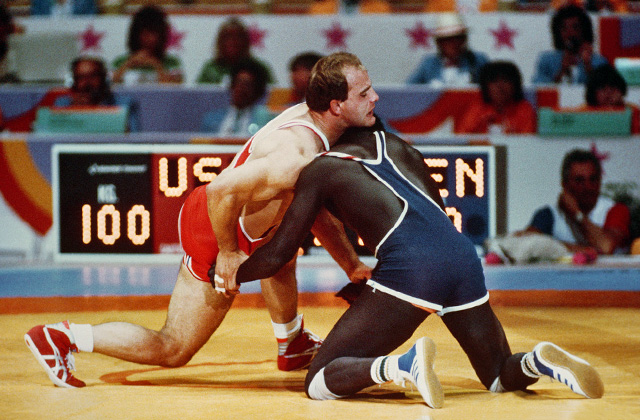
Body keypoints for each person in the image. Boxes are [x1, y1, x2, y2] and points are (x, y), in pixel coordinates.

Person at [24, 52, 375, 388]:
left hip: (244, 223)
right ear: (336, 106)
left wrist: (351, 265)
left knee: (282, 245)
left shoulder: (319, 124)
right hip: (216, 225)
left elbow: (311, 207)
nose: (374, 97)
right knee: (173, 347)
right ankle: (61, 337)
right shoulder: (293, 156)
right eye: (364, 93)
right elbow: (220, 191)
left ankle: (291, 343)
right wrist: (226, 251)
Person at [220, 122, 604, 407]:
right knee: (498, 376)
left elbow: (278, 253)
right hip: (460, 256)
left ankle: (401, 366)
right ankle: (536, 361)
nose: (373, 99)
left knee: (318, 379)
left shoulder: (323, 167)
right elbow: (432, 217)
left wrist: (226, 272)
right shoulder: (401, 148)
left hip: (413, 269)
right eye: (366, 95)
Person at [523, 148, 631, 254]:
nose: (588, 187)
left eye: (593, 179)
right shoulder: (549, 214)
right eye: (579, 181)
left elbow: (606, 246)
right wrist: (583, 250)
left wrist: (577, 215)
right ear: (564, 184)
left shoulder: (615, 209)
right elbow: (527, 242)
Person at [53, 57, 140, 132]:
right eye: (81, 77)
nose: (87, 83)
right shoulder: (63, 104)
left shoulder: (124, 104)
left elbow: (133, 139)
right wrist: (75, 110)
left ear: (103, 78)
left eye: (93, 76)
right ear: (74, 81)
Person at [532, 5, 608, 85]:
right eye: (564, 28)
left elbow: (604, 88)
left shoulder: (599, 61)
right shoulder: (546, 60)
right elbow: (538, 87)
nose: (570, 33)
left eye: (575, 28)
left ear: (584, 30)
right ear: (558, 32)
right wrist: (562, 70)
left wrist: (587, 66)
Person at [407, 13, 489, 87]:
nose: (454, 43)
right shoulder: (429, 63)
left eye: (458, 38)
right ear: (439, 42)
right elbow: (407, 89)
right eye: (448, 39)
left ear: (464, 39)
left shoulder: (478, 60)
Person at [457, 60, 536, 134]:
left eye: (505, 80)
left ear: (515, 85)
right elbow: (462, 138)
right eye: (494, 81)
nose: (500, 86)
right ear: (485, 86)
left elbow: (527, 142)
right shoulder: (476, 109)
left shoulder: (524, 109)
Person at [111, 6, 184, 85]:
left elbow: (174, 89)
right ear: (136, 35)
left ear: (161, 35)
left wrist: (156, 65)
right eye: (145, 34)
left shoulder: (173, 63)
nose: (150, 39)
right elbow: (109, 86)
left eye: (154, 34)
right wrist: (129, 63)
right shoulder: (119, 62)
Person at [201, 58, 274, 135]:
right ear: (231, 86)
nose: (241, 89)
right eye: (238, 83)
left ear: (257, 90)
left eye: (247, 85)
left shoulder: (265, 120)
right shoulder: (211, 119)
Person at [197, 17, 275, 85]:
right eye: (227, 37)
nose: (232, 42)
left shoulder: (259, 68)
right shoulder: (210, 69)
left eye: (237, 37)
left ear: (246, 41)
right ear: (219, 42)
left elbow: (272, 96)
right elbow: (197, 96)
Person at [584, 64, 640, 134]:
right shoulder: (583, 113)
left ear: (620, 90)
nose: (608, 92)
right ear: (593, 92)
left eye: (612, 87)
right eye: (602, 88)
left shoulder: (633, 111)